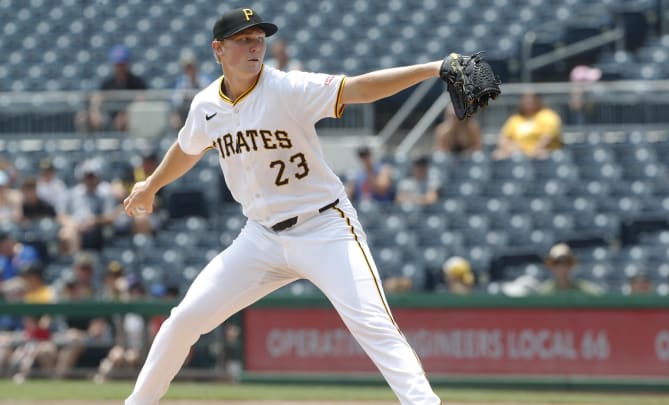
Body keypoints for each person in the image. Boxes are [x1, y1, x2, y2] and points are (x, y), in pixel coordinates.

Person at [122, 7, 443, 404]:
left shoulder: (288, 88)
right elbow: (187, 148)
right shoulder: (206, 104)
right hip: (259, 236)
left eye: (259, 38)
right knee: (184, 320)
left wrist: (434, 68)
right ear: (218, 49)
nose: (255, 46)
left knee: (374, 325)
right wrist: (152, 185)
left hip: (324, 227)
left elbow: (359, 88)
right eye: (244, 39)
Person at [75, 44, 148, 132]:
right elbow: (97, 98)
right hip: (109, 120)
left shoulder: (137, 82)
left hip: (132, 123)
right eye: (118, 64)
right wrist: (95, 111)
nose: (120, 68)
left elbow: (142, 100)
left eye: (122, 64)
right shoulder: (108, 83)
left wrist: (126, 114)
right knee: (82, 117)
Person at [57, 159, 117, 253]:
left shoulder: (105, 193)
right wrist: (73, 223)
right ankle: (72, 262)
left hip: (97, 231)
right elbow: (60, 216)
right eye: (87, 177)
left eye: (92, 176)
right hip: (76, 227)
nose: (90, 180)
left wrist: (95, 220)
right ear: (81, 178)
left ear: (98, 177)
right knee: (67, 233)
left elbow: (111, 217)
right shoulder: (72, 193)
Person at [493, 92, 563, 160]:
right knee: (498, 154)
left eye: (531, 99)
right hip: (519, 152)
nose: (528, 102)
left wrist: (532, 152)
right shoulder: (515, 119)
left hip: (541, 151)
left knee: (542, 155)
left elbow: (548, 138)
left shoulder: (548, 115)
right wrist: (512, 148)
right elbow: (502, 139)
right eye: (525, 100)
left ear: (537, 100)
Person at [169, 50, 214, 130]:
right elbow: (175, 102)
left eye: (191, 67)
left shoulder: (205, 80)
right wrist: (175, 114)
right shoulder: (181, 82)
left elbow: (212, 98)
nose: (190, 70)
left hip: (204, 113)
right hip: (186, 114)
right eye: (187, 68)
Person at [537, 243, 603, 295]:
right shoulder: (544, 292)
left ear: (571, 265)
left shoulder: (584, 289)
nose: (562, 266)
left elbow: (600, 298)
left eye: (566, 262)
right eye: (557, 262)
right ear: (552, 266)